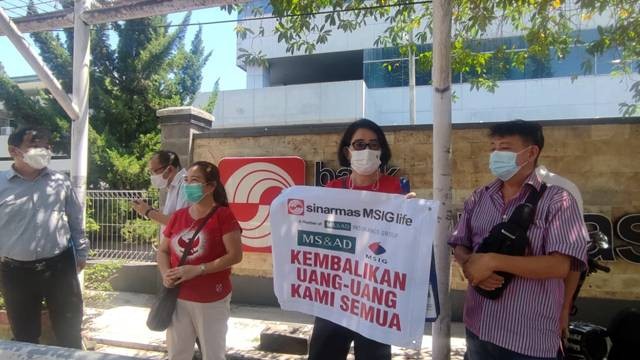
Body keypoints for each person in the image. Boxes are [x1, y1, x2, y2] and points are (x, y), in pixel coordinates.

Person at [449, 120, 588, 360]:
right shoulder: (479, 198)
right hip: (478, 326)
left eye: (504, 148)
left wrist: (493, 261)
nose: (495, 155)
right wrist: (471, 265)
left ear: (531, 152)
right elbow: (460, 244)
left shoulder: (558, 200)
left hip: (529, 336)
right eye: (492, 148)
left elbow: (561, 265)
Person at [308, 118, 413, 360]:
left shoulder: (398, 190)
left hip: (376, 298)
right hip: (334, 295)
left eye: (374, 144)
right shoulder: (331, 190)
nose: (367, 150)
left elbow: (405, 244)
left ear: (382, 151)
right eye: (359, 144)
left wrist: (411, 215)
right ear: (347, 151)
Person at [0, 127, 88, 348]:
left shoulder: (60, 181)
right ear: (14, 151)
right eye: (36, 144)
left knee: (70, 331)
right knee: (24, 335)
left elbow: (75, 221)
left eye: (48, 146)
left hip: (59, 266)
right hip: (15, 272)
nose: (45, 150)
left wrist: (81, 252)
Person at [158, 161, 243, 360]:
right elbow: (162, 251)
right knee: (177, 354)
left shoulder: (223, 216)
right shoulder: (178, 217)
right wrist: (165, 274)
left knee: (213, 354)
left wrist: (199, 269)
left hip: (211, 299)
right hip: (178, 297)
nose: (188, 185)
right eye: (186, 180)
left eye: (195, 181)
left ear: (211, 186)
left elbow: (235, 255)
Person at [132, 150, 189, 225]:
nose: (152, 176)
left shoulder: (185, 185)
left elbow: (179, 223)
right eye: (150, 172)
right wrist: (149, 210)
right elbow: (170, 218)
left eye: (154, 171)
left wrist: (148, 212)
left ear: (170, 169)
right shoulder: (173, 186)